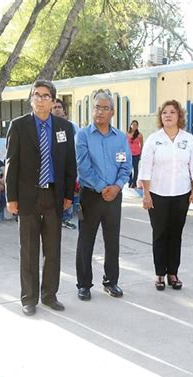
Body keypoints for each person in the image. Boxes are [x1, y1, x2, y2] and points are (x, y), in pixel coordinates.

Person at [5, 79, 76, 316]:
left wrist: (68, 195)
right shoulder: (19, 126)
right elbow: (11, 164)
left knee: (53, 250)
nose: (41, 99)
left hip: (54, 195)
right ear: (31, 98)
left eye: (47, 96)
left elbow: (69, 164)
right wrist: (11, 197)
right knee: (29, 250)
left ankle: (49, 295)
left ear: (54, 101)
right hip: (27, 197)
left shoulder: (64, 128)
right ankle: (29, 298)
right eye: (37, 95)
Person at [139, 100, 193, 290]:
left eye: (172, 112)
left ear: (179, 116)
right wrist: (146, 194)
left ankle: (173, 273)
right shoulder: (153, 139)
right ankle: (159, 274)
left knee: (176, 235)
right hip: (157, 195)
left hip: (181, 194)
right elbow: (145, 169)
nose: (168, 115)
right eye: (164, 112)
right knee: (160, 234)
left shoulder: (188, 139)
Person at [75, 90, 132, 301]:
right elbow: (83, 166)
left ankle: (111, 282)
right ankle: (83, 284)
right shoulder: (82, 135)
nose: (100, 112)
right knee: (85, 241)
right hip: (90, 196)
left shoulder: (120, 138)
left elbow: (126, 165)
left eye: (105, 108)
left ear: (112, 112)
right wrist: (102, 188)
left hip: (114, 197)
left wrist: (116, 187)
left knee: (112, 241)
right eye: (97, 107)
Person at [51, 98, 78, 230]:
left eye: (59, 107)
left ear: (63, 110)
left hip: (66, 168)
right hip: (51, 171)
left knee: (68, 194)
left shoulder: (70, 127)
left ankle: (66, 218)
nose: (57, 109)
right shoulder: (47, 126)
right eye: (54, 107)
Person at [127, 120, 143, 188]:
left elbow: (142, 144)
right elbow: (124, 144)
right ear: (130, 125)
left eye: (136, 125)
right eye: (133, 124)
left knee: (135, 169)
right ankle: (130, 181)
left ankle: (134, 183)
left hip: (136, 154)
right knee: (128, 169)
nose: (134, 126)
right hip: (128, 154)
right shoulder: (127, 134)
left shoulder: (139, 135)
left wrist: (141, 153)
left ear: (137, 126)